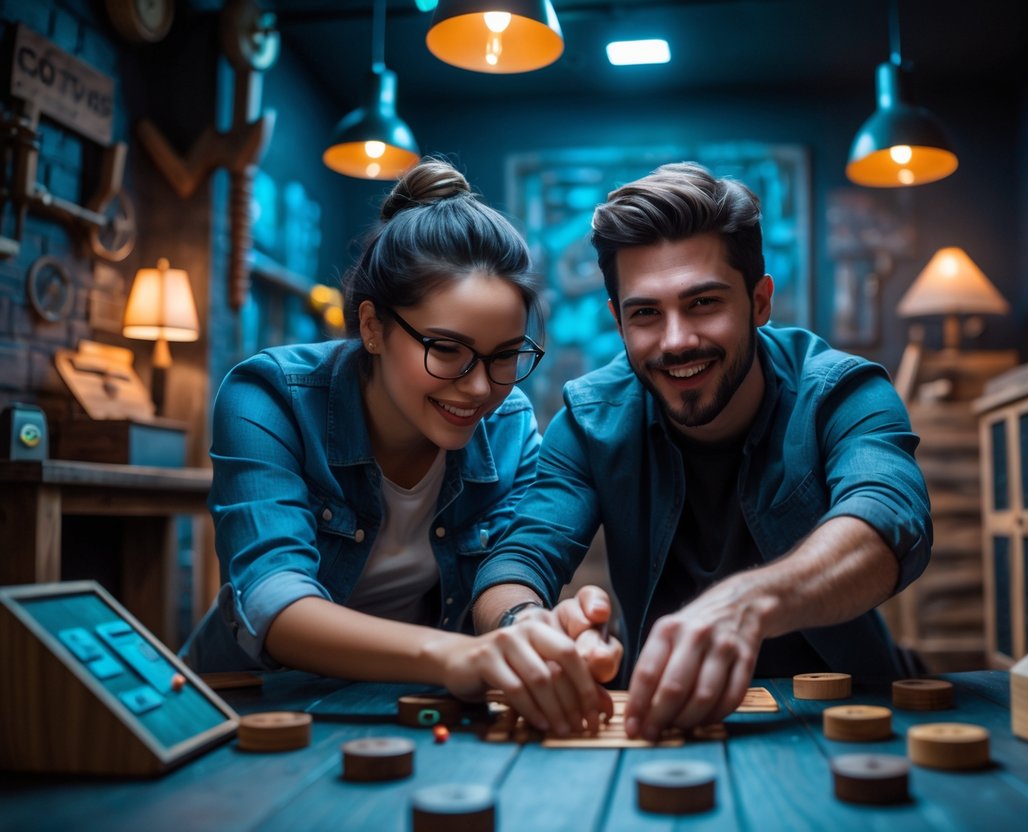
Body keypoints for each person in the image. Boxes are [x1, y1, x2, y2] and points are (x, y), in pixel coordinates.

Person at [471, 162, 932, 741]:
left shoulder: (843, 390)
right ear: (617, 321)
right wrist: (529, 628)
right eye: (645, 314)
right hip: (666, 726)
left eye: (704, 303)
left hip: (849, 721)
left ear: (759, 301)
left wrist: (750, 601)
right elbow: (514, 562)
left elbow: (890, 517)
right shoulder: (589, 418)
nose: (675, 341)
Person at [183, 158, 608, 736]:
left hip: (412, 714)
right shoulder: (267, 397)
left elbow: (500, 574)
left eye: (506, 355)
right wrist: (458, 657)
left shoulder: (508, 423)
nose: (481, 387)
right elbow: (273, 602)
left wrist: (530, 626)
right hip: (253, 709)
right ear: (372, 327)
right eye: (446, 349)